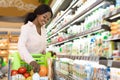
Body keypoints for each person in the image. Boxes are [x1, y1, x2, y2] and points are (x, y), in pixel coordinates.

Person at [17, 4, 53, 73]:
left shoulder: (44, 30)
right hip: (26, 65)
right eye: (44, 17)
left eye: (48, 19)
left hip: (40, 65)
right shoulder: (26, 28)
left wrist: (45, 52)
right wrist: (31, 61)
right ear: (37, 14)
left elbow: (42, 47)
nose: (45, 20)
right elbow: (20, 46)